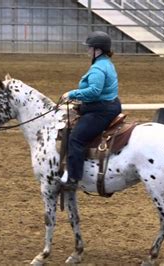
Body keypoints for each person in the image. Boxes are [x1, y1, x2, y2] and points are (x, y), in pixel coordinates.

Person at [60, 31, 122, 189]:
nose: (88, 51)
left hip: (101, 109)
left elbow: (94, 91)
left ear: (98, 50)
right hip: (107, 105)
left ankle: (73, 178)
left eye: (90, 48)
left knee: (76, 138)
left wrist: (72, 94)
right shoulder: (106, 63)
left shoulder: (98, 69)